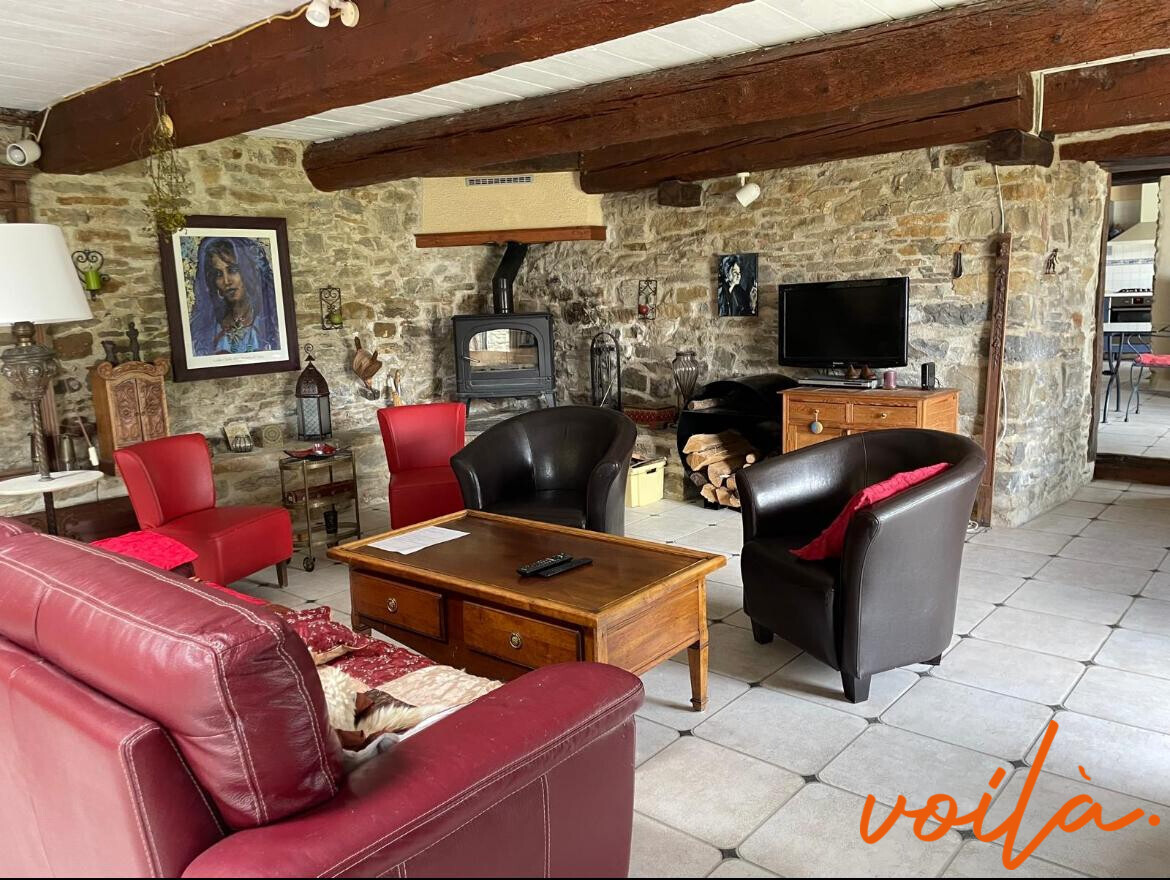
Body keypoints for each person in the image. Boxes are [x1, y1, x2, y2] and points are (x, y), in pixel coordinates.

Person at [189, 237, 280, 356]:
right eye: (218, 274)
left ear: (249, 272)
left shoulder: (270, 322)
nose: (226, 281)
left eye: (233, 270)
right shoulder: (209, 329)